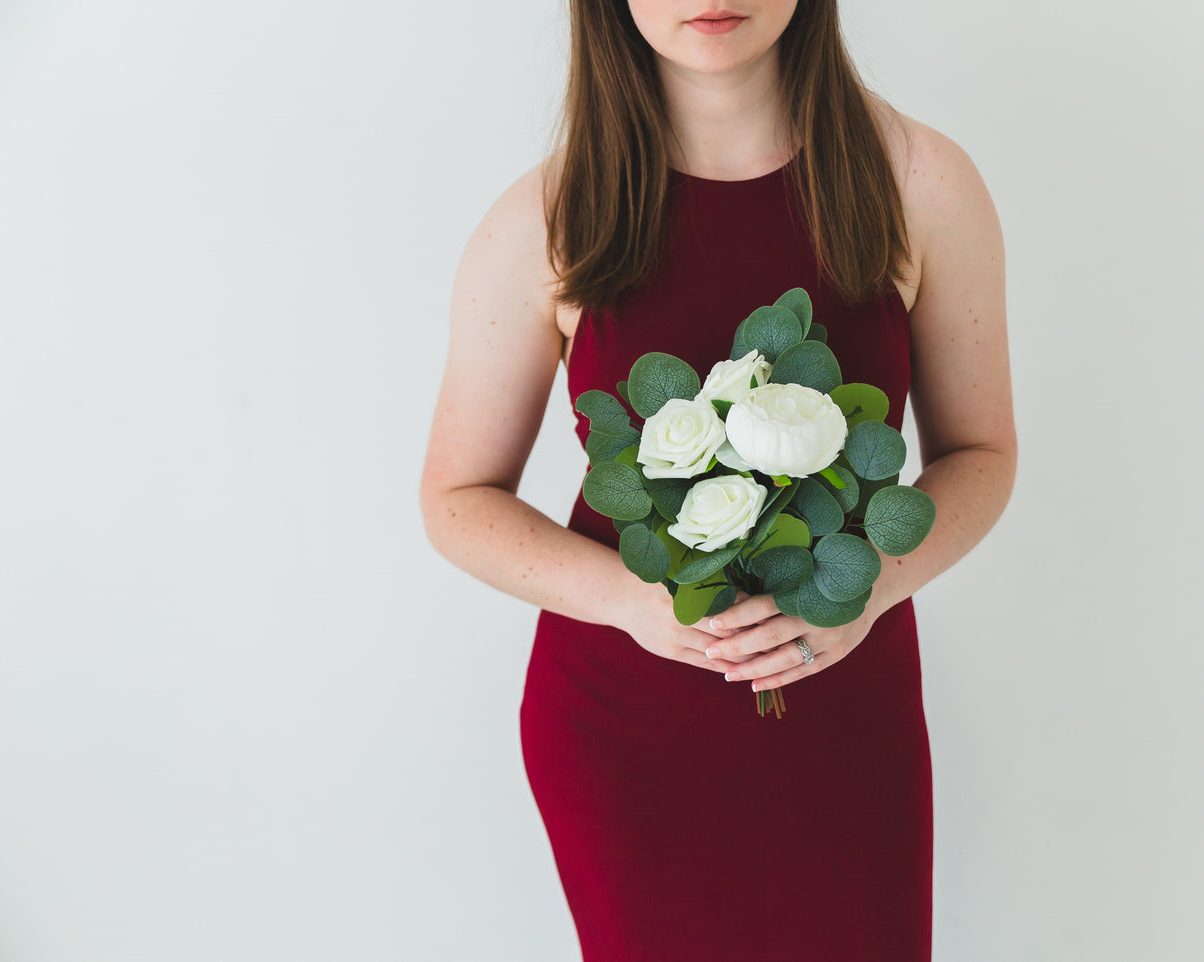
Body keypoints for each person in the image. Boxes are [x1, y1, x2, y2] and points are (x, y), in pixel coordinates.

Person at [419, 1, 1015, 958]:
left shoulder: (920, 181)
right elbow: (455, 499)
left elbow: (981, 454)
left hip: (847, 702)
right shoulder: (545, 219)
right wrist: (629, 600)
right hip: (624, 728)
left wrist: (859, 597)